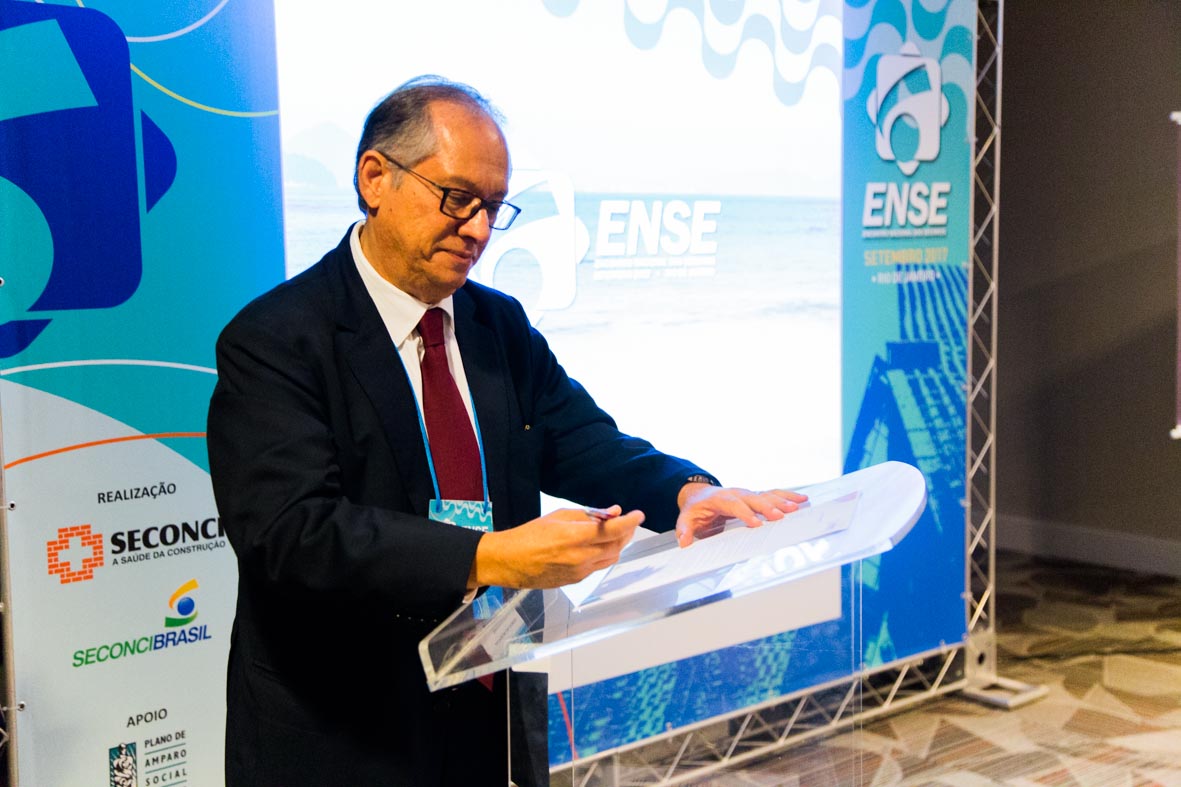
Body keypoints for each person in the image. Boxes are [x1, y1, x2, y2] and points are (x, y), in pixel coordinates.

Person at [206, 75, 805, 787]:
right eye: (457, 198)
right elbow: (291, 533)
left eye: (493, 207)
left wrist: (685, 491)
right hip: (342, 729)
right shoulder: (276, 340)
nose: (479, 230)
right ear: (375, 178)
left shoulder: (498, 324)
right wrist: (490, 556)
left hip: (484, 702)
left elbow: (580, 440)